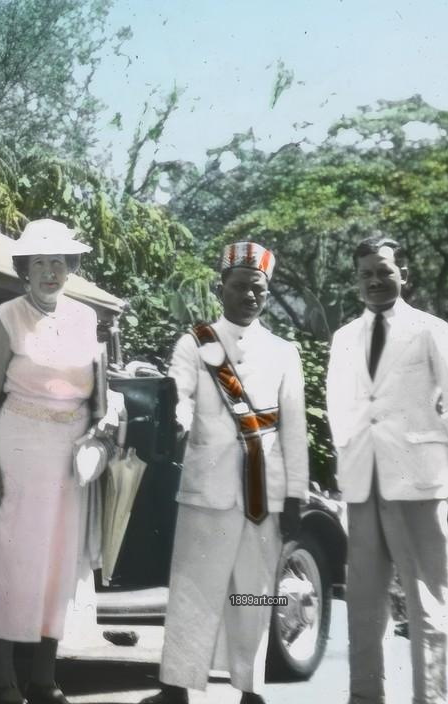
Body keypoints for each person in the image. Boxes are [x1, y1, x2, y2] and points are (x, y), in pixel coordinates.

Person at [0, 218, 114, 704]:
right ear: (25, 268)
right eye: (40, 262)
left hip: (70, 458)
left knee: (57, 564)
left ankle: (45, 678)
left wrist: (100, 433)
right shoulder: (7, 316)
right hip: (17, 447)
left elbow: (100, 392)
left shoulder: (87, 319)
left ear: (71, 267)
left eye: (59, 262)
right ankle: (4, 679)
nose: (50, 271)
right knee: (13, 563)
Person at [139, 242, 307, 704]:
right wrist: (182, 424)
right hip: (207, 483)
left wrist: (295, 494)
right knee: (193, 589)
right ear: (222, 289)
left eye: (259, 289)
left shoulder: (283, 351)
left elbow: (295, 427)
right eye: (240, 287)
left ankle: (250, 690)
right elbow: (182, 397)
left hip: (262, 490)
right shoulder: (196, 342)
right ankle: (176, 687)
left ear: (267, 294)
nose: (249, 296)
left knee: (254, 594)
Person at [327, 234, 448, 704]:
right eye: (367, 274)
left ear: (403, 275)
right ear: (357, 280)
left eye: (384, 271)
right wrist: (348, 456)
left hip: (419, 480)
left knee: (428, 601)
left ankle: (432, 697)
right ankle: (365, 696)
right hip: (362, 482)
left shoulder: (430, 329)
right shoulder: (344, 337)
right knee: (362, 601)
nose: (376, 280)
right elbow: (339, 405)